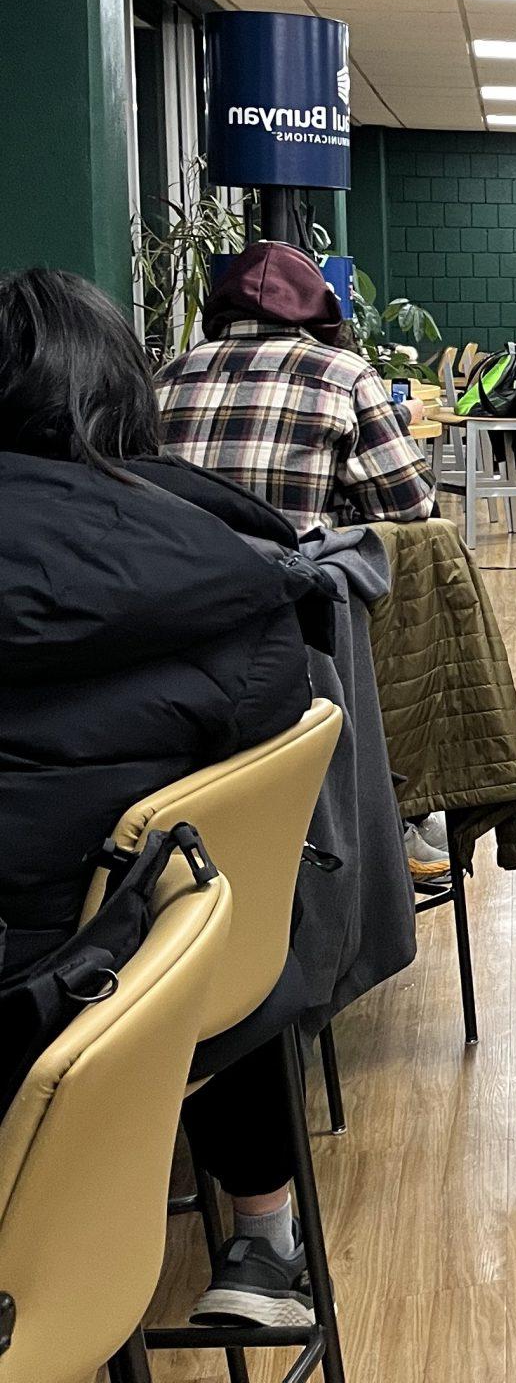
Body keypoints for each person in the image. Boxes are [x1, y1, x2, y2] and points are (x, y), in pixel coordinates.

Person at [0, 267, 326, 1328]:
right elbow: (408, 507)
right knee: (188, 860)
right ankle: (264, 1232)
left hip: (31, 993)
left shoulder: (195, 388)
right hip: (161, 980)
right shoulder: (227, 563)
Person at [158, 240, 436, 536]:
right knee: (427, 534)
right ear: (323, 306)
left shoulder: (165, 378)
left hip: (175, 575)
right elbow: (410, 503)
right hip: (298, 575)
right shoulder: (344, 374)